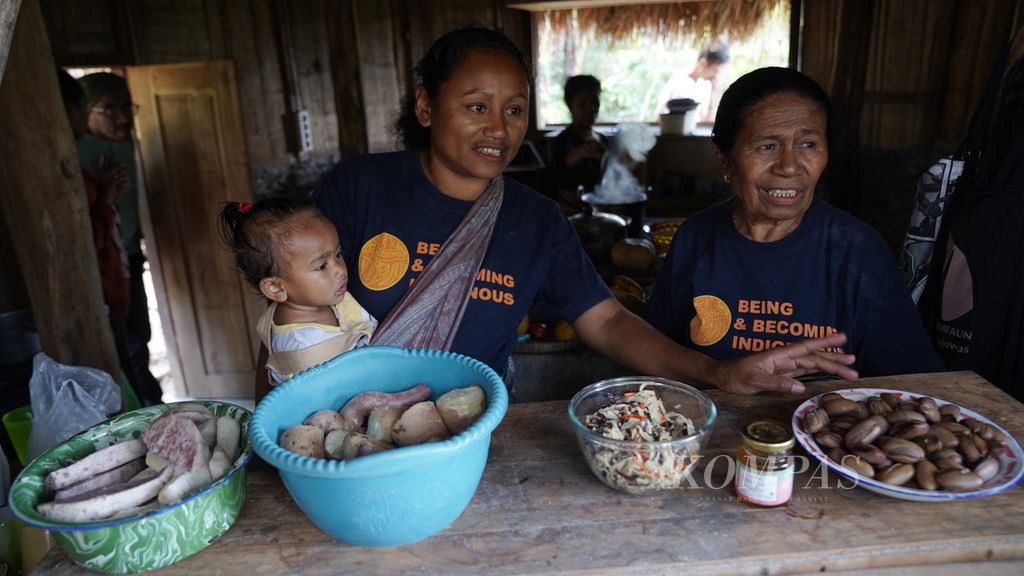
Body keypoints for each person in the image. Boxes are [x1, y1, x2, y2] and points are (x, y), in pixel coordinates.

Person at [258, 27, 857, 402]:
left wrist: (714, 371)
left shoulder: (535, 221)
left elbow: (608, 324)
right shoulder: (361, 188)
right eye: (476, 106)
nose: (499, 128)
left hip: (464, 433)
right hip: (337, 428)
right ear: (424, 105)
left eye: (515, 109)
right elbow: (291, 306)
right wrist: (282, 423)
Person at [645, 67, 944, 377]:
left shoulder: (859, 251)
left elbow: (915, 380)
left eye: (808, 145)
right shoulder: (695, 238)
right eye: (767, 146)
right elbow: (657, 358)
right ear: (724, 158)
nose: (789, 167)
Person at [219, 197, 377, 385]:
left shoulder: (318, 300)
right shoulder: (302, 352)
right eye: (321, 266)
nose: (340, 270)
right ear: (276, 288)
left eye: (338, 254)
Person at [77, 72, 163, 406]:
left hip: (127, 254)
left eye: (127, 107)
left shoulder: (125, 143)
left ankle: (151, 406)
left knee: (138, 338)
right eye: (111, 108)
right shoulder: (72, 151)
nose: (123, 117)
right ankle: (144, 412)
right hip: (97, 265)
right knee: (122, 347)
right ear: (83, 111)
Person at [549, 75, 608, 196]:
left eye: (595, 102)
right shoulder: (561, 141)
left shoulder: (602, 140)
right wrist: (574, 158)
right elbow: (554, 183)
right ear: (570, 106)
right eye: (582, 104)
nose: (591, 108)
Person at [656, 42, 730, 124]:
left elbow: (708, 123)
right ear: (703, 63)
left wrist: (713, 93)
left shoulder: (706, 86)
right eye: (714, 71)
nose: (715, 77)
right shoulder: (678, 81)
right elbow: (660, 118)